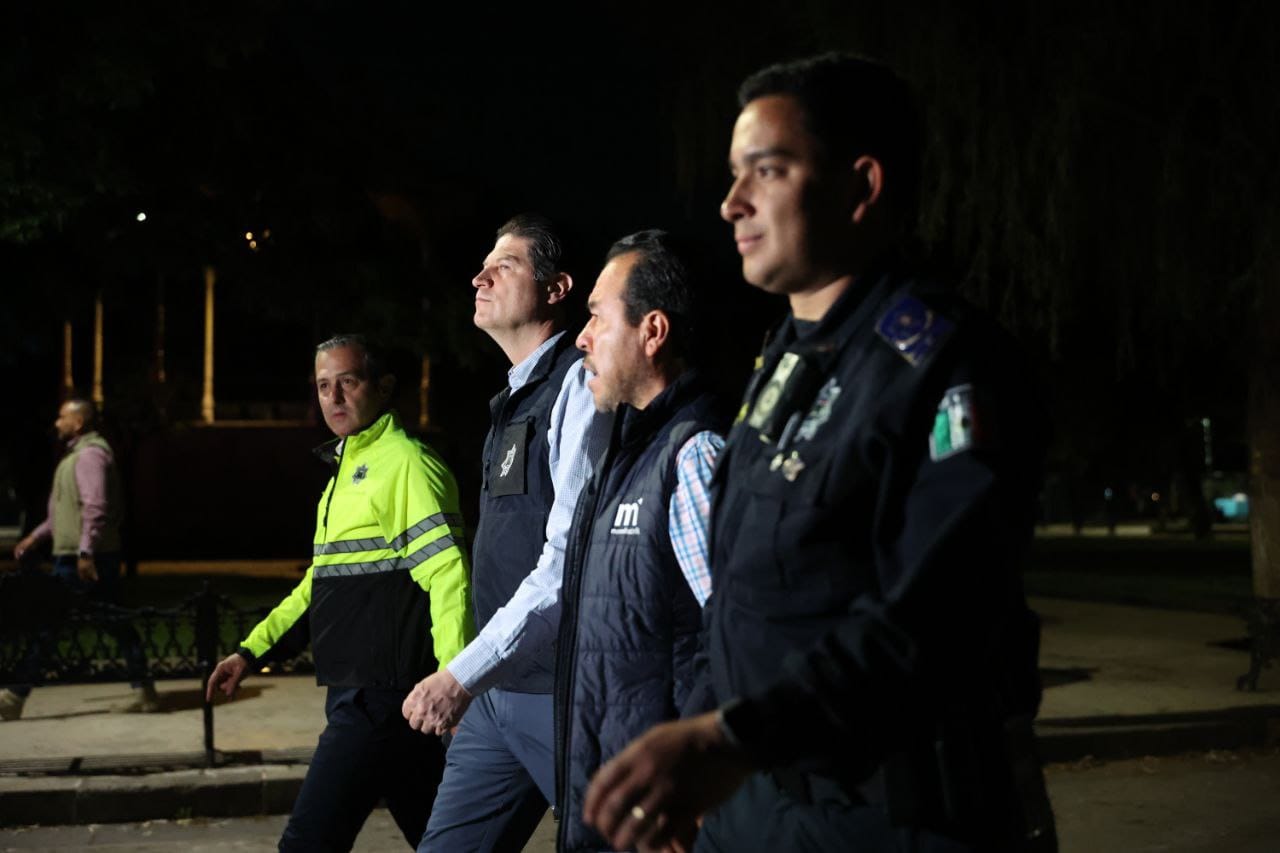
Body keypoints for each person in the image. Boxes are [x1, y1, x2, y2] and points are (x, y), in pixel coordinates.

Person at [583, 54, 1057, 852]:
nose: (732, 202)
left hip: (888, 814)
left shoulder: (944, 363)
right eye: (733, 174)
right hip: (755, 804)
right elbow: (743, 600)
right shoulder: (785, 364)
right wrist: (699, 746)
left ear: (860, 186)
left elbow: (936, 616)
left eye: (766, 171)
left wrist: (729, 738)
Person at [205, 334, 473, 852]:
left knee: (307, 845)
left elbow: (449, 576)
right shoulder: (344, 474)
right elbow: (319, 584)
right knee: (444, 845)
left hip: (379, 701)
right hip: (370, 695)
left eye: (347, 382)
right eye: (323, 385)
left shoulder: (406, 463)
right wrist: (250, 652)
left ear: (383, 387)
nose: (334, 397)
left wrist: (456, 680)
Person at [403, 214, 612, 852]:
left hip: (559, 693)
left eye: (506, 265)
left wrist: (461, 675)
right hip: (497, 692)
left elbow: (565, 563)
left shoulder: (579, 387)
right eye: (483, 265)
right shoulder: (514, 400)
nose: (480, 277)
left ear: (556, 288)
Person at [554, 230, 723, 853]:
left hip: (659, 816)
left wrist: (695, 783)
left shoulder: (693, 456)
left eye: (597, 316)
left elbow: (733, 638)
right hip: (611, 803)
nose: (582, 337)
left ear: (652, 332)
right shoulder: (622, 458)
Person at [2, 399, 156, 720]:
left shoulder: (90, 456)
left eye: (62, 417)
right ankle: (144, 689)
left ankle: (15, 695)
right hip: (82, 556)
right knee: (113, 621)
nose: (57, 423)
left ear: (78, 422)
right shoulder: (75, 456)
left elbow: (95, 507)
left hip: (82, 559)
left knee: (50, 624)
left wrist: (86, 552)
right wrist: (35, 538)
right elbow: (61, 514)